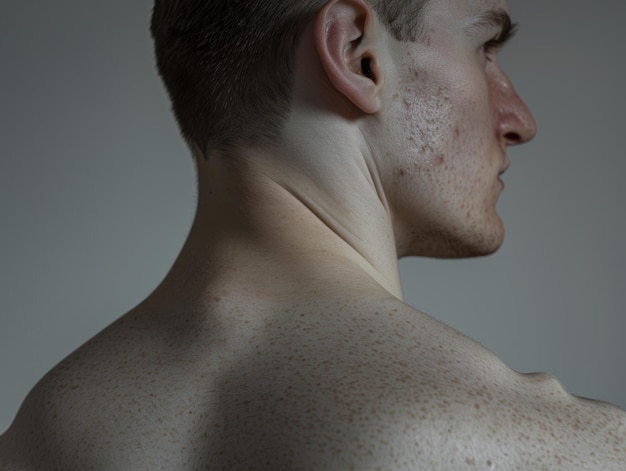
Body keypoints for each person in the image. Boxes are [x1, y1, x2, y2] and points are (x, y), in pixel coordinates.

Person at [1, 0, 624, 468]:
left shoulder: (36, 434)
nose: (520, 120)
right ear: (359, 55)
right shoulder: (546, 445)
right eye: (485, 48)